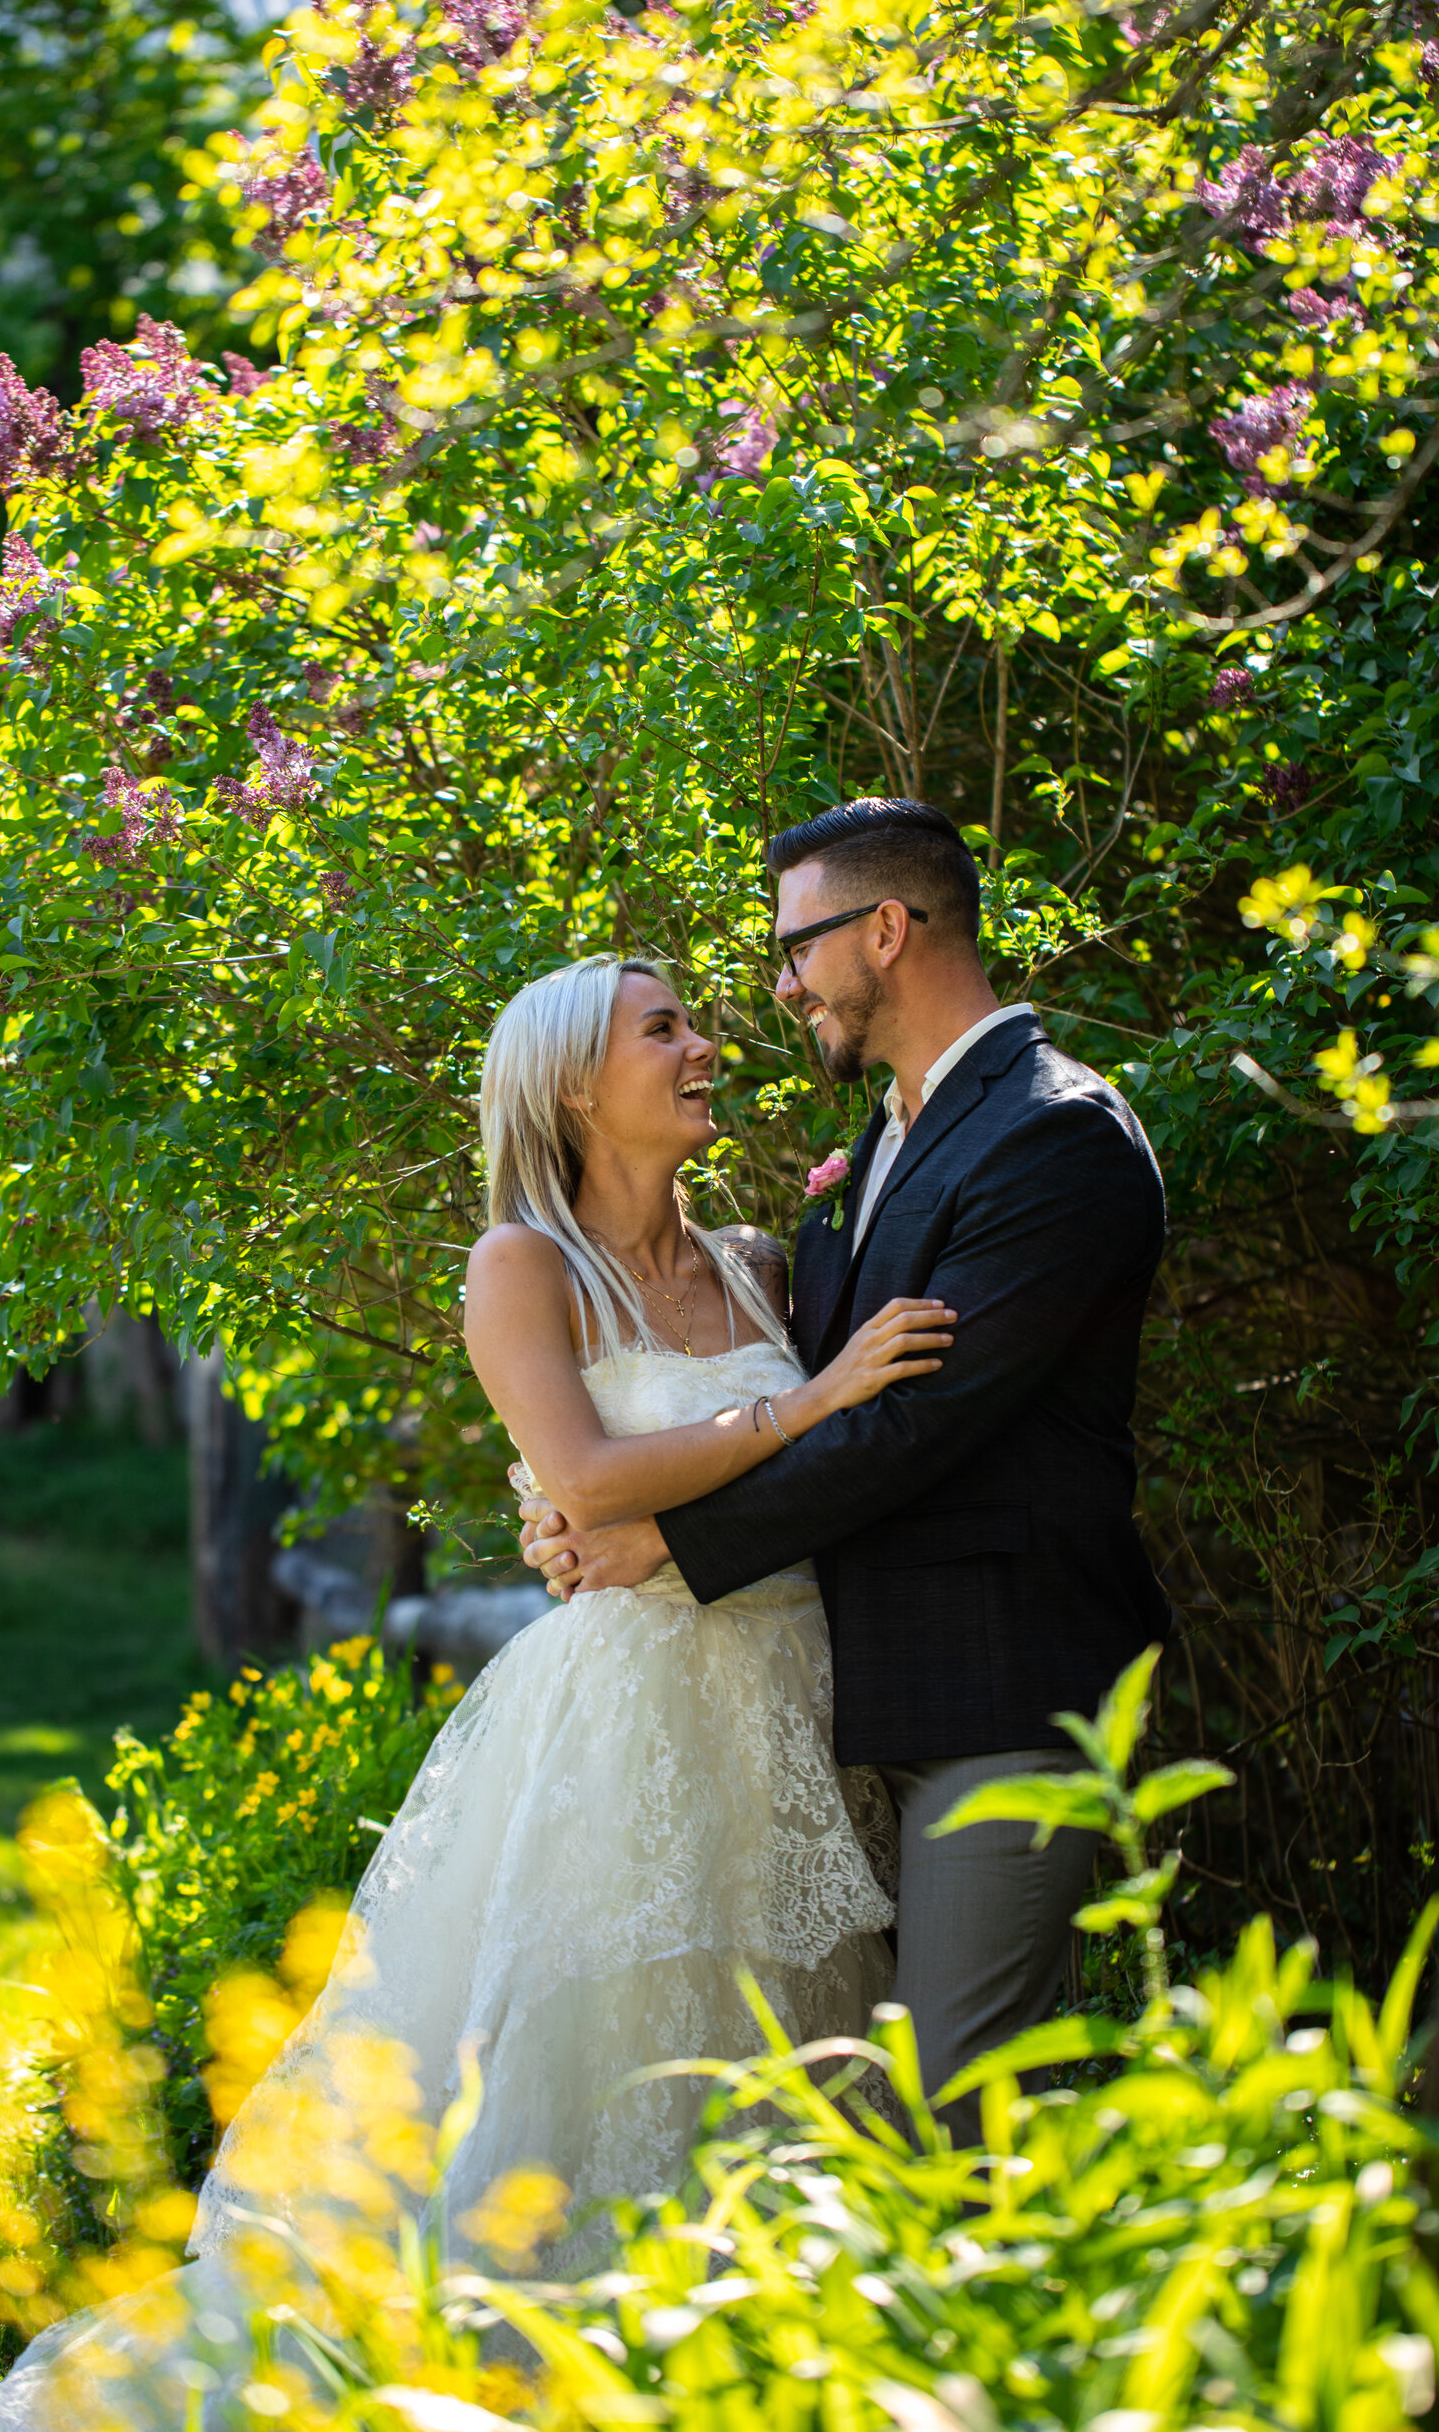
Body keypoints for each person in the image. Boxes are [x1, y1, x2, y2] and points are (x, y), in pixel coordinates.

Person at [0, 950, 952, 2431]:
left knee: (787, 2069)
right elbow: (592, 1478)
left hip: (799, 1715)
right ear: (568, 1081)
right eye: (662, 1029)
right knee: (611, 2071)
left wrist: (718, 1456)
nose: (702, 1046)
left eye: (695, 1021)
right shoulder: (522, 1268)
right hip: (632, 1728)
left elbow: (774, 1486)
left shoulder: (761, 1256)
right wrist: (789, 1410)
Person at [523, 797, 1173, 2123]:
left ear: (886, 931)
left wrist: (660, 1543)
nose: (779, 984)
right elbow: (794, 1388)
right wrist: (582, 1499)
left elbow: (910, 1422)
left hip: (1001, 1693)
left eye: (798, 945)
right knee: (835, 2115)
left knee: (949, 2112)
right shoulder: (881, 1144)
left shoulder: (1056, 1133)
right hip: (849, 1713)